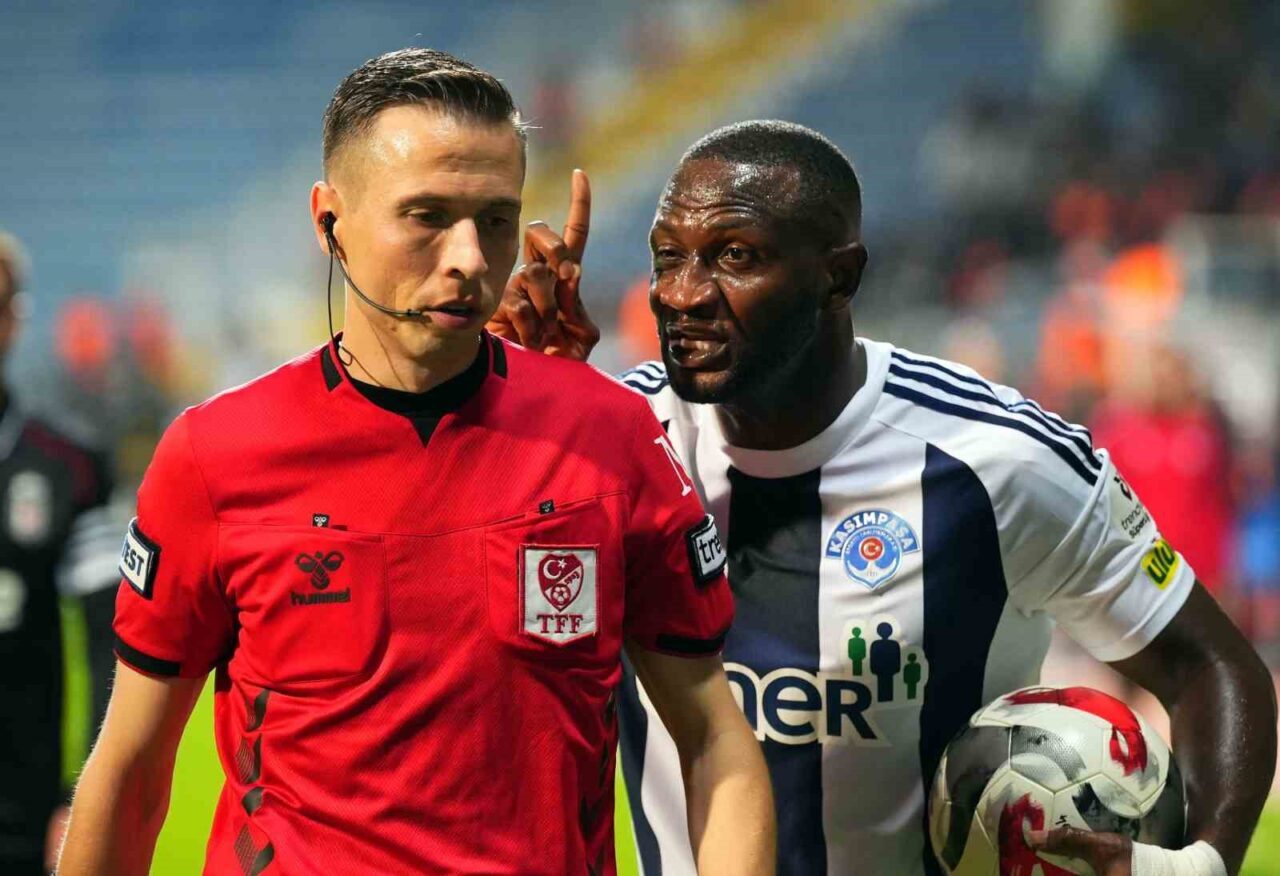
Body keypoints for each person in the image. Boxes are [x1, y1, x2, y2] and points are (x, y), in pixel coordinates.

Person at [488, 120, 1277, 876]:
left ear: (839, 276)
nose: (681, 294)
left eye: (734, 256)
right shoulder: (613, 443)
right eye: (668, 258)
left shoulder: (996, 460)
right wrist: (509, 420)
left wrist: (1200, 865)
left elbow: (1210, 665)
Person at [58, 50, 774, 876]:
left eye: (496, 220)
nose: (469, 257)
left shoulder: (609, 438)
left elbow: (714, 741)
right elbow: (132, 773)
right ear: (330, 223)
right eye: (427, 217)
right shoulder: (215, 457)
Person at [0, 232, 117, 875]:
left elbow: (109, 642)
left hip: (24, 802)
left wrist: (81, 795)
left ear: (15, 318)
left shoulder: (66, 467)